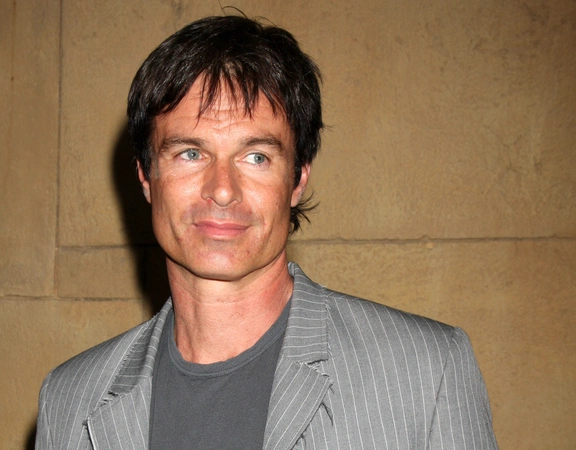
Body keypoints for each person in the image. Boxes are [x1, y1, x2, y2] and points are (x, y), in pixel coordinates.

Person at [35, 15, 498, 450]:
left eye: (256, 157)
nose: (222, 189)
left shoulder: (427, 371)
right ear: (145, 176)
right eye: (190, 153)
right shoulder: (69, 400)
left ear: (297, 179)